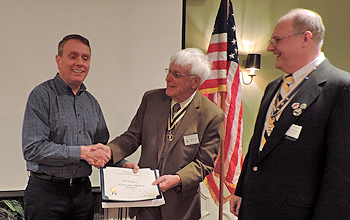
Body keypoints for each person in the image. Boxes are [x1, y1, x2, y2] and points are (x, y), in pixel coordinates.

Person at [230, 9, 350, 220]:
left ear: (305, 38)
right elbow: (257, 145)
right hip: (253, 209)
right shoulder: (273, 87)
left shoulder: (341, 87)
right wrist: (241, 190)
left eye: (277, 40)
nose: (269, 47)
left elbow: (340, 173)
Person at [22, 34, 135, 220]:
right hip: (46, 194)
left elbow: (99, 149)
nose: (80, 63)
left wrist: (122, 165)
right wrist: (81, 153)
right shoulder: (41, 96)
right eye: (73, 56)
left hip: (82, 194)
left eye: (85, 58)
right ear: (59, 60)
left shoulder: (92, 103)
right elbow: (33, 149)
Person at [107, 48, 224, 220]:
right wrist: (109, 151)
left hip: (181, 208)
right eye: (169, 71)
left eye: (176, 74)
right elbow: (132, 136)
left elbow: (204, 164)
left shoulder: (211, 115)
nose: (168, 78)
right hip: (145, 200)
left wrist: (177, 178)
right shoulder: (151, 99)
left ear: (195, 81)